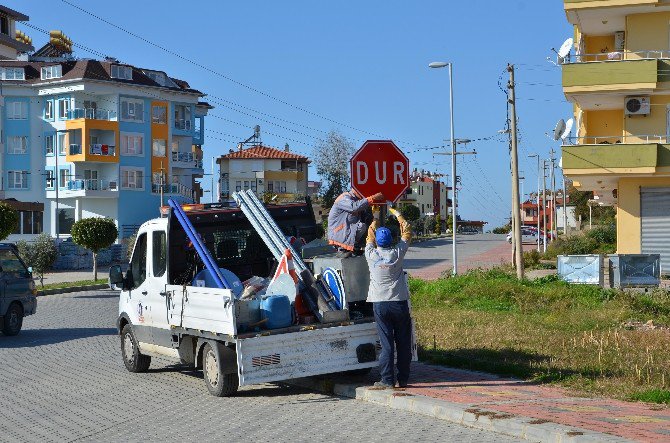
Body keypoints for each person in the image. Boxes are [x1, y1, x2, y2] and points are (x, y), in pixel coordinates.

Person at [365, 206, 412, 388]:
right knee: (403, 343)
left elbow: (370, 233)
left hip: (380, 304)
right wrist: (397, 213)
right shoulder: (397, 253)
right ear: (391, 240)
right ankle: (404, 379)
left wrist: (375, 215)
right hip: (399, 303)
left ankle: (387, 380)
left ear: (377, 241)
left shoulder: (371, 254)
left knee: (386, 344)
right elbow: (407, 230)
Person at [327, 189, 385, 258]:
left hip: (346, 229)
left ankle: (352, 248)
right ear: (356, 190)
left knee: (362, 226)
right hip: (338, 231)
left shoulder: (356, 199)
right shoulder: (344, 198)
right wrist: (372, 198)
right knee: (361, 226)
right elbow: (354, 207)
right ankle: (342, 249)